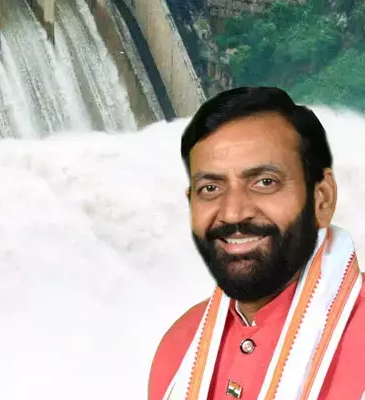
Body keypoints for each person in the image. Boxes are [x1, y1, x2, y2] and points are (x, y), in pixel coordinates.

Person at [148, 87, 365, 400]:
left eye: (265, 182)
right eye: (210, 188)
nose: (233, 212)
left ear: (322, 198)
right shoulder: (179, 349)